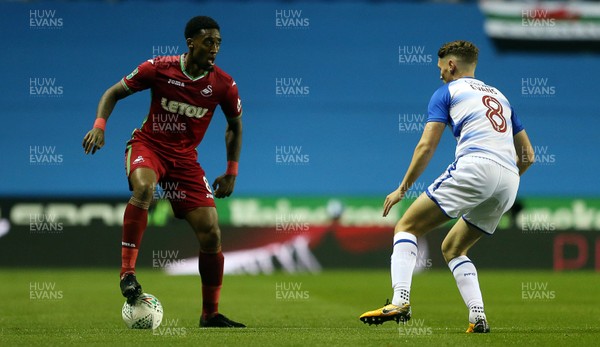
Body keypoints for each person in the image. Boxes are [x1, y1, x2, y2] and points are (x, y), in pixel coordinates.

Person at [359, 40, 534, 333]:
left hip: (476, 166)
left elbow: (426, 145)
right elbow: (528, 154)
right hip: (509, 179)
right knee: (454, 248)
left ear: (451, 65)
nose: (439, 74)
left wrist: (402, 188)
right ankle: (478, 316)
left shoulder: (446, 92)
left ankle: (400, 300)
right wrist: (505, 178)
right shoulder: (501, 97)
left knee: (406, 227)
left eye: (440, 68)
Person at [82, 16, 245, 328]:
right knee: (143, 189)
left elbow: (235, 126)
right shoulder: (159, 68)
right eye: (208, 41)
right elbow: (113, 92)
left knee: (211, 232)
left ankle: (210, 314)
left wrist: (231, 171)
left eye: (218, 43)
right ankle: (127, 274)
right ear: (191, 43)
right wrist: (99, 127)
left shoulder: (224, 85)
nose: (214, 49)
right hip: (149, 146)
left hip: (184, 160)